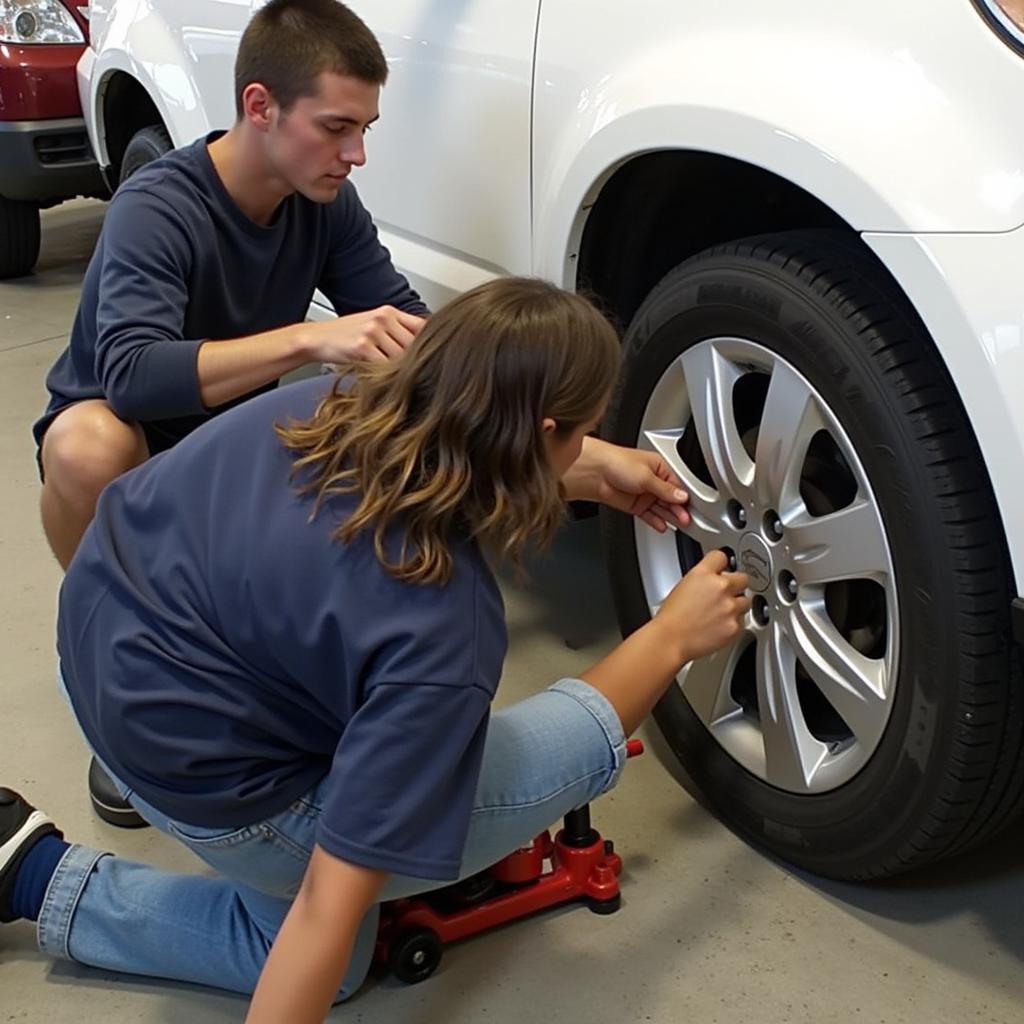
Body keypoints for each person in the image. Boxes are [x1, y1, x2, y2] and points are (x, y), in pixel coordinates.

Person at [0, 278, 750, 1023]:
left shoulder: (325, 403)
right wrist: (670, 638)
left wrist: (593, 466)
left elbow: (475, 432)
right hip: (202, 777)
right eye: (583, 432)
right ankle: (35, 878)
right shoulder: (442, 625)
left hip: (94, 653)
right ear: (546, 433)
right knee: (324, 959)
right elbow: (327, 904)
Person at [32, 0, 428, 824]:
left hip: (232, 441)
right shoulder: (159, 206)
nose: (356, 154)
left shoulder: (324, 204)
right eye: (336, 127)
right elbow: (134, 376)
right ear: (259, 106)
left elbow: (399, 320)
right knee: (86, 445)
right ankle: (122, 673)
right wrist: (309, 342)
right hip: (139, 443)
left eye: (366, 128)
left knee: (373, 401)